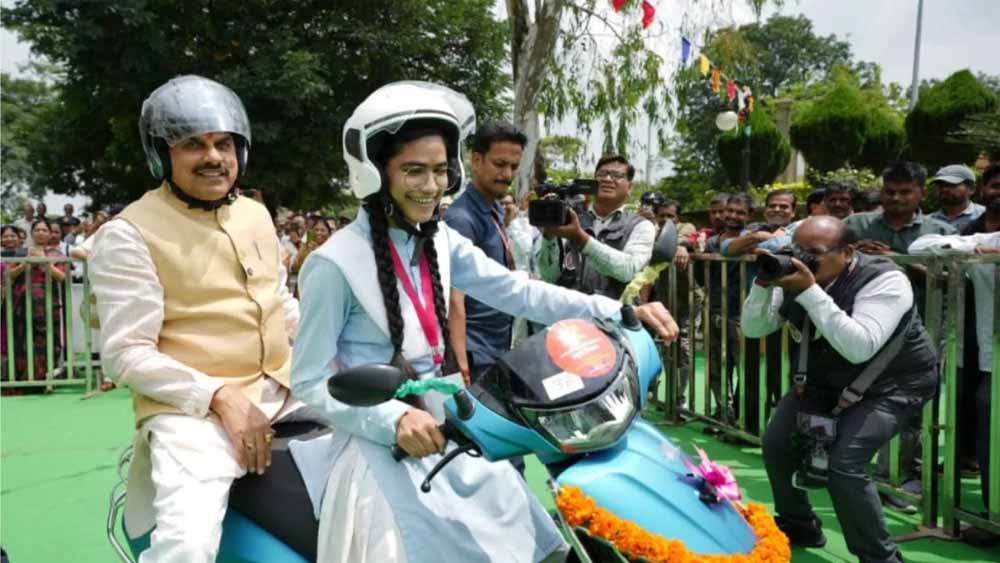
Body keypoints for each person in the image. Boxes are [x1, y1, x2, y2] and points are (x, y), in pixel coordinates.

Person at [290, 81, 679, 563]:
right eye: (413, 170)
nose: (431, 186)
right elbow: (309, 380)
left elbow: (519, 291)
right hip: (378, 440)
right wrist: (393, 419)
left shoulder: (439, 240)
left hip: (450, 422)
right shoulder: (334, 263)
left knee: (523, 532)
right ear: (375, 174)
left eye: (439, 170)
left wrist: (617, 311)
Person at [88, 75, 315, 563]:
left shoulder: (255, 214)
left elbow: (279, 303)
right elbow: (126, 354)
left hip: (286, 391)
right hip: (193, 415)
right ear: (161, 156)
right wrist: (220, 396)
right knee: (187, 546)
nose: (213, 156)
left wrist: (330, 351)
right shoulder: (128, 234)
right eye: (193, 144)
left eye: (223, 144)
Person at [743, 216, 938, 563]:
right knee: (776, 443)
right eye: (797, 250)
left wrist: (809, 292)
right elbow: (754, 329)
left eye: (814, 252)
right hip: (825, 380)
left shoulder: (886, 280)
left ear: (847, 252)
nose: (803, 258)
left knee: (845, 464)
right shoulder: (795, 274)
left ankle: (880, 558)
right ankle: (800, 525)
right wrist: (762, 284)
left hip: (891, 384)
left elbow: (859, 347)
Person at [909, 162, 1000, 547]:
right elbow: (919, 247)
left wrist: (988, 250)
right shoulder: (976, 233)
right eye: (995, 184)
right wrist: (973, 248)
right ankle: (991, 514)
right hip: (979, 350)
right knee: (984, 428)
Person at [443, 121, 526, 384]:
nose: (507, 174)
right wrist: (460, 362)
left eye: (513, 166)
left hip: (497, 344)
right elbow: (454, 298)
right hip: (474, 351)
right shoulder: (462, 218)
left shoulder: (494, 209)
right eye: (499, 164)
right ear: (476, 161)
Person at [537, 154, 656, 299]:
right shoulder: (571, 218)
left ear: (630, 187)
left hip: (615, 311)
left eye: (617, 175)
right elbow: (549, 276)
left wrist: (581, 238)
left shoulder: (642, 226)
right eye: (602, 174)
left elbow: (628, 270)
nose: (607, 179)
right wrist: (549, 237)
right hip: (571, 309)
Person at [2, 219, 67, 395]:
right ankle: (22, 382)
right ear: (31, 233)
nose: (41, 233)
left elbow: (61, 276)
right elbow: (8, 275)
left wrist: (43, 262)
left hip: (47, 305)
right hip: (21, 305)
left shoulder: (56, 253)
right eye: (37, 230)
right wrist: (25, 264)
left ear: (50, 233)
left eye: (44, 230)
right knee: (21, 342)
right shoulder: (21, 252)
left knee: (48, 342)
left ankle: (45, 380)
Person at [928, 164, 984, 231]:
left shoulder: (985, 216)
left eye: (952, 184)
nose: (944, 189)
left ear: (972, 189)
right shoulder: (927, 222)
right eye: (940, 185)